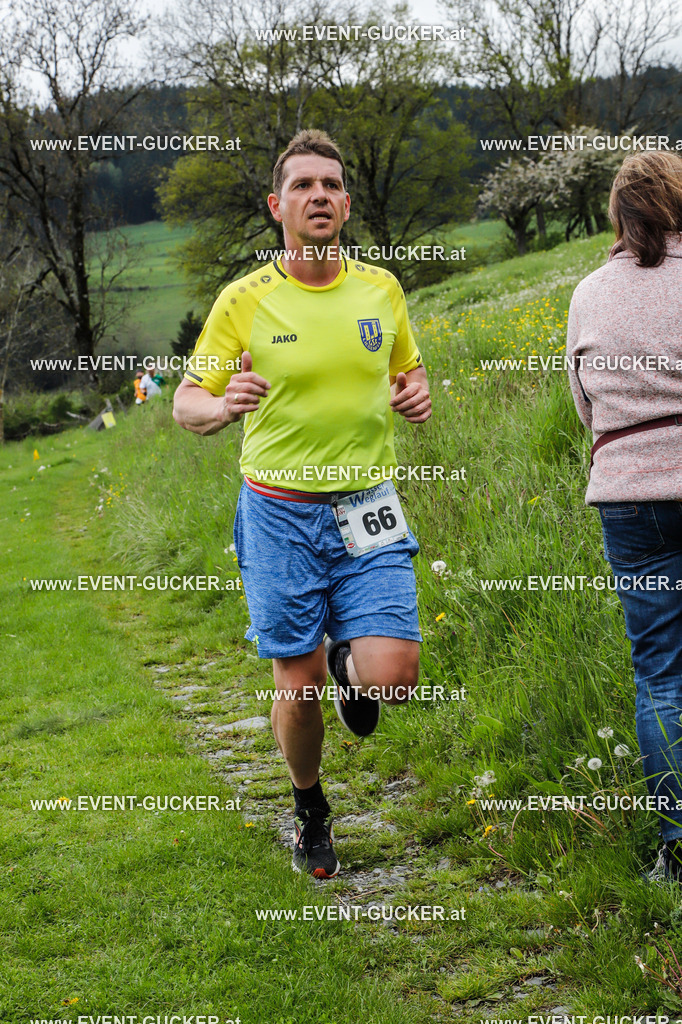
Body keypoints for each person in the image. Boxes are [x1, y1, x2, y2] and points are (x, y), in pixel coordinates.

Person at [173, 129, 431, 879]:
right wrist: (222, 409)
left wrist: (413, 392)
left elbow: (408, 374)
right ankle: (310, 804)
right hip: (278, 513)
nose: (319, 195)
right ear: (277, 205)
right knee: (298, 684)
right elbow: (188, 401)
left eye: (331, 185)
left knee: (395, 674)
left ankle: (356, 672)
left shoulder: (381, 289)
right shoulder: (243, 301)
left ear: (346, 204)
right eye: (303, 186)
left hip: (366, 505)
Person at [566, 150, 682, 882]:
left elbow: (584, 408)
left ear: (620, 215)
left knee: (662, 675)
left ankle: (676, 847)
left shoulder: (588, 292)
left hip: (631, 501)